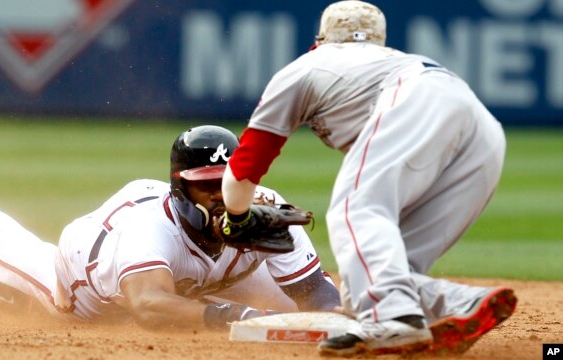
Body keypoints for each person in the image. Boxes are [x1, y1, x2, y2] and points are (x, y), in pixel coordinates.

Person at [217, 0, 516, 356]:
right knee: (379, 273)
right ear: (378, 40)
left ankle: (395, 322)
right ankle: (459, 302)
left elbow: (247, 162)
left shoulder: (306, 67)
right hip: (483, 130)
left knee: (355, 211)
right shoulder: (389, 61)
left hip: (413, 100)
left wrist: (236, 217)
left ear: (321, 38)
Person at [0, 125, 341, 330]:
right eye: (205, 185)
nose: (219, 195)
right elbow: (148, 307)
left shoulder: (267, 213)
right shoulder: (148, 229)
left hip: (201, 274)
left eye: (226, 182)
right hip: (86, 276)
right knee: (51, 287)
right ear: (181, 188)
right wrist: (233, 315)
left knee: (286, 310)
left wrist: (339, 320)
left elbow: (317, 295)